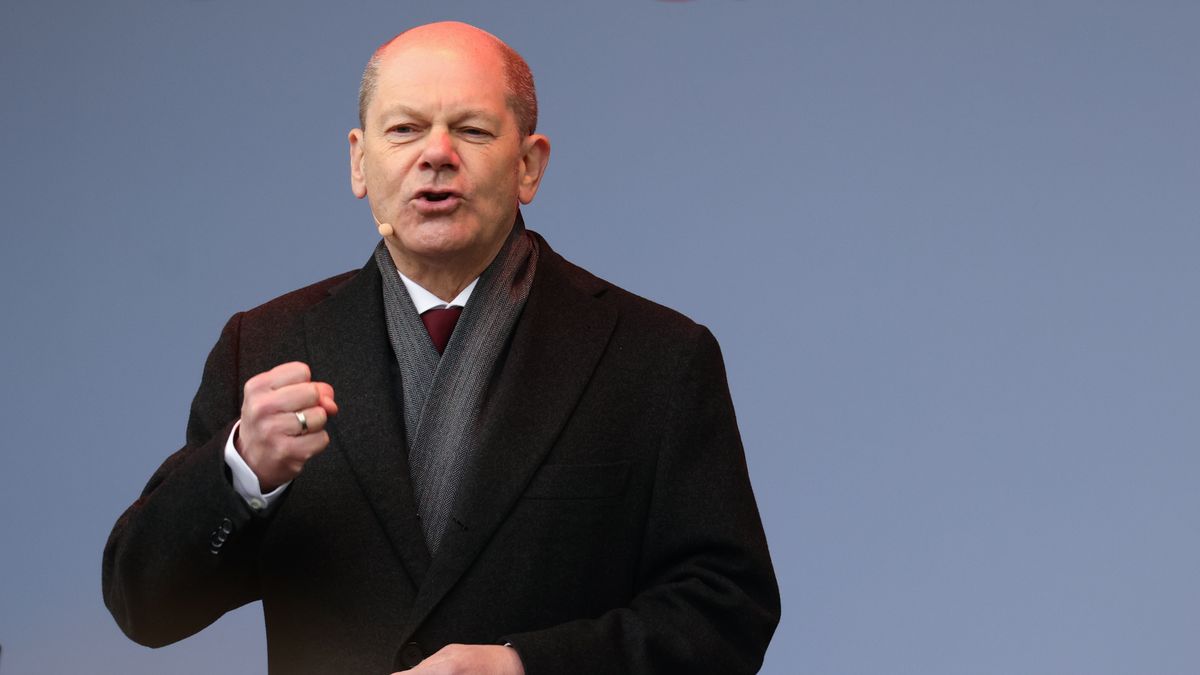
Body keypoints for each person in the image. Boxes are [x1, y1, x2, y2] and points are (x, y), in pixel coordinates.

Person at [103, 21, 780, 675]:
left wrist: (525, 665)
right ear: (359, 161)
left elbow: (726, 610)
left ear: (529, 166)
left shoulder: (655, 356)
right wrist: (243, 470)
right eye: (403, 129)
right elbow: (145, 607)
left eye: (472, 130)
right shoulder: (267, 343)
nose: (436, 154)